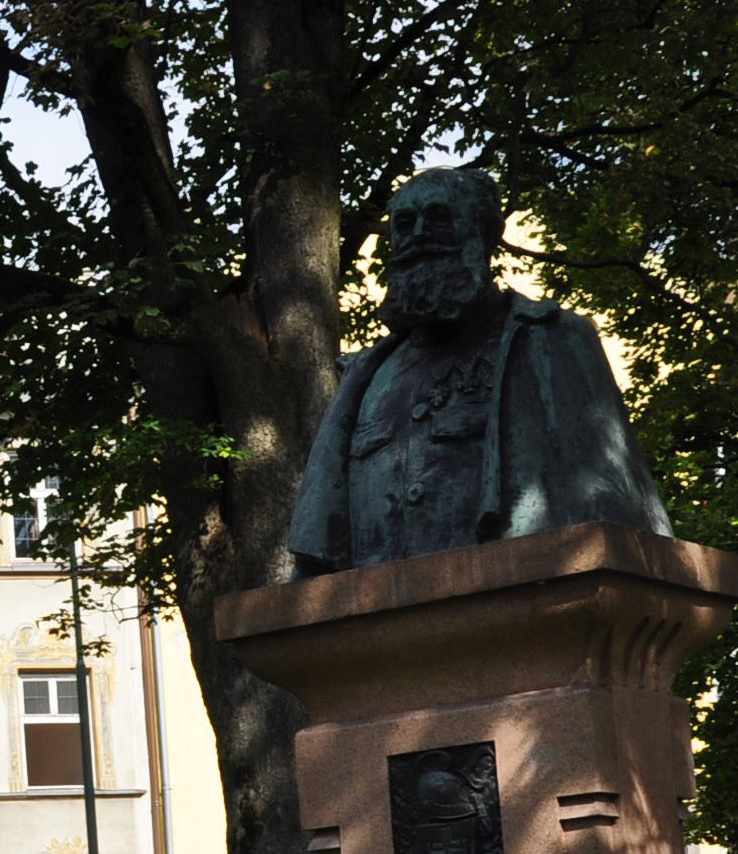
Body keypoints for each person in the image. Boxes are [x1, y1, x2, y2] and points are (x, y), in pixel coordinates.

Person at [287, 166, 671, 575]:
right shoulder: (365, 377)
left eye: (439, 217)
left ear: (486, 234)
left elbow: (608, 504)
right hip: (374, 618)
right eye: (404, 223)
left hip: (519, 605)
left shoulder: (552, 340)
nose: (418, 234)